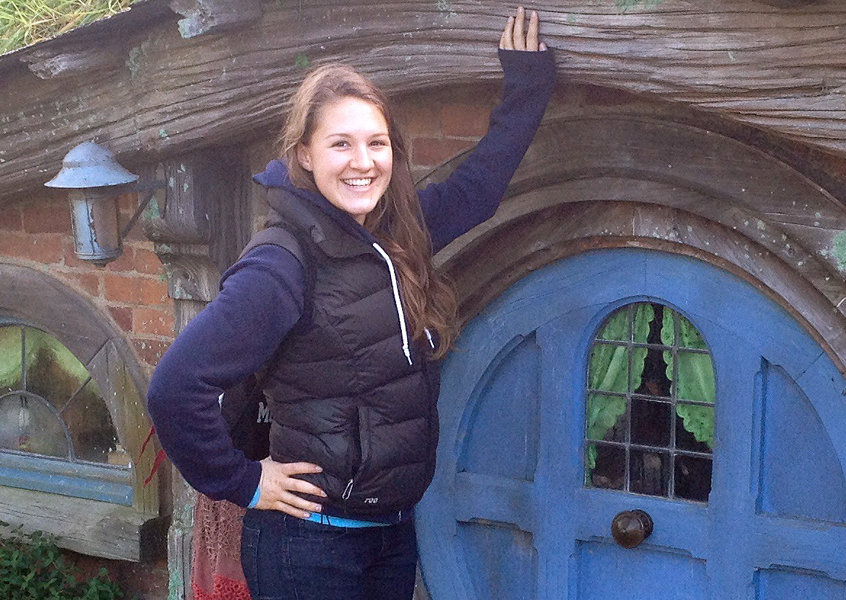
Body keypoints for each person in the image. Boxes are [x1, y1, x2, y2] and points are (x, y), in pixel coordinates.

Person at [145, 8, 554, 599]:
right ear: (304, 155)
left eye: (376, 143)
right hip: (308, 545)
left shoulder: (397, 231)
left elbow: (477, 190)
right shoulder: (280, 263)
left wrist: (527, 85)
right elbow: (175, 388)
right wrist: (242, 482)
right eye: (341, 144)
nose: (363, 162)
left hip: (388, 533)